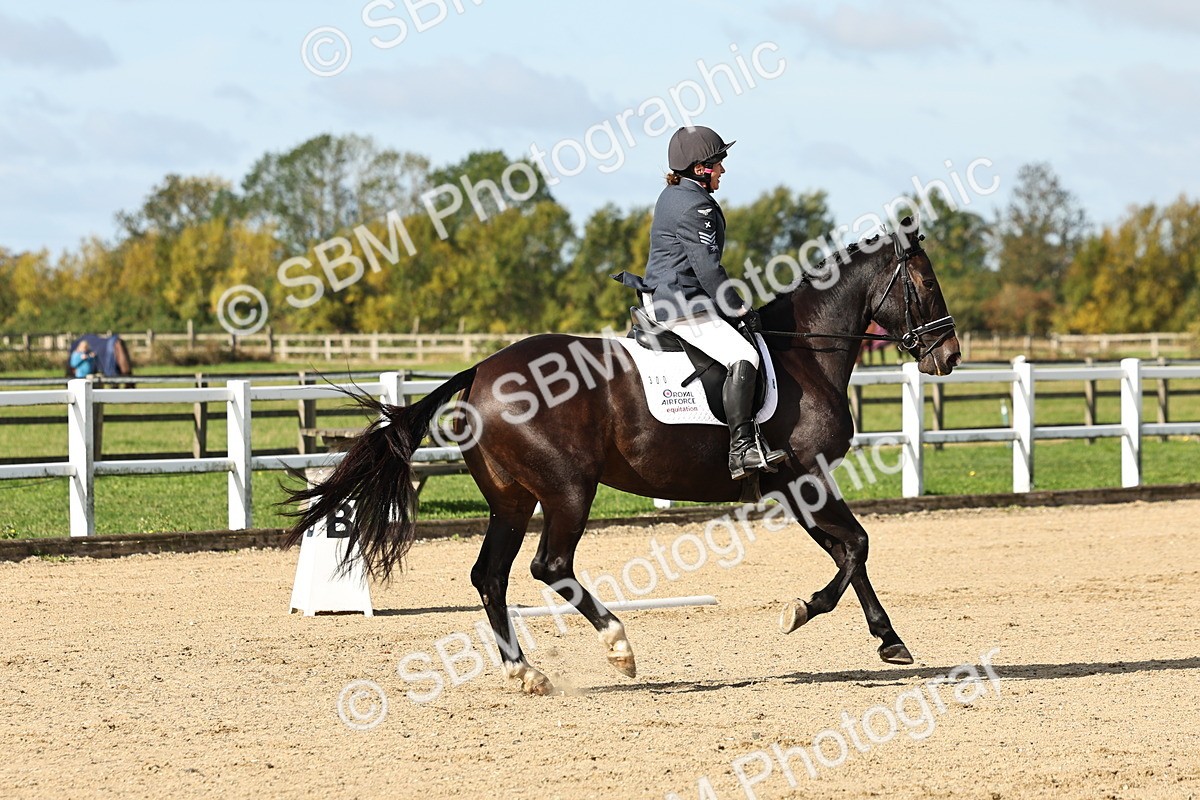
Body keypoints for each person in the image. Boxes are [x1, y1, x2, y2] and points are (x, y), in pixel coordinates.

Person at [638, 125, 783, 480]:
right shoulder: (694, 206)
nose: (723, 170)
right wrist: (740, 308)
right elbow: (708, 269)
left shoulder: (672, 195)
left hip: (669, 296)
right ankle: (742, 450)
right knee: (744, 355)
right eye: (719, 163)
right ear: (701, 168)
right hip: (681, 304)